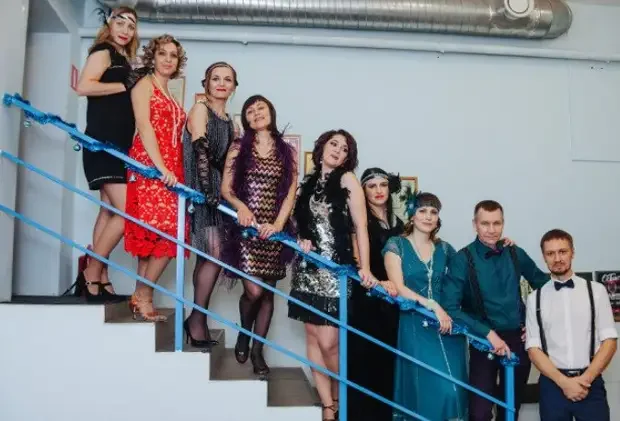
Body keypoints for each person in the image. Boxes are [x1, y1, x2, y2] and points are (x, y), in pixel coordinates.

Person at [288, 129, 374, 421]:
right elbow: (298, 221)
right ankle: (328, 406)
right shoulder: (307, 183)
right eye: (333, 144)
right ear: (322, 147)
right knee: (313, 338)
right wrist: (300, 238)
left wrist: (364, 267)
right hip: (307, 268)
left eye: (345, 148)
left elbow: (360, 227)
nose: (338, 150)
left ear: (348, 158)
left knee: (329, 343)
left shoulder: (348, 180)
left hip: (335, 270)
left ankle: (343, 397)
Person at [443, 200, 550, 421]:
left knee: (511, 409)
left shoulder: (515, 252)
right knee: (479, 412)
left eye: (497, 223)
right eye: (485, 224)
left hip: (518, 341)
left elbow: (545, 287)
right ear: (475, 225)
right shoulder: (462, 259)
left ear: (503, 223)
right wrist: (487, 333)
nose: (491, 230)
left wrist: (535, 324)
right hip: (483, 340)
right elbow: (450, 308)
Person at [221, 95, 298, 375]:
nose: (256, 114)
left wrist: (277, 225)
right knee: (253, 290)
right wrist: (240, 207)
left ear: (271, 112)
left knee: (267, 294)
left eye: (261, 108)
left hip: (274, 231)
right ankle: (244, 333)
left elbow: (290, 193)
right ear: (246, 119)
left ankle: (257, 351)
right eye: (250, 111)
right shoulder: (238, 147)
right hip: (247, 229)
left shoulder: (287, 150)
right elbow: (226, 189)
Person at [383, 191, 468, 421]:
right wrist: (432, 305)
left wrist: (502, 245)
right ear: (412, 215)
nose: (428, 216)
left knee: (454, 392)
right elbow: (399, 287)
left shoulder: (445, 249)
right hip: (415, 323)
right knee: (430, 390)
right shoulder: (396, 245)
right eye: (422, 211)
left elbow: (467, 274)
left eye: (433, 212)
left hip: (447, 327)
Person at [74, 6, 139, 302]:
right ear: (109, 25)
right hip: (103, 143)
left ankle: (101, 279)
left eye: (131, 25)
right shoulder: (103, 51)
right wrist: (123, 84)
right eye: (120, 22)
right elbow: (83, 86)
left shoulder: (124, 59)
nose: (125, 29)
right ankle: (91, 271)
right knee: (128, 212)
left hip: (119, 145)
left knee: (109, 210)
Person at [124, 34, 188, 322]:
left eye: (173, 55)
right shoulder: (144, 85)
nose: (168, 60)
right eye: (163, 53)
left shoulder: (170, 92)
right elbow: (144, 126)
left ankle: (139, 298)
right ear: (153, 57)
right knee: (169, 235)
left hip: (170, 169)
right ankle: (144, 295)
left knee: (157, 238)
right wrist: (160, 167)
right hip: (150, 165)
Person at [525, 229, 617, 421]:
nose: (557, 258)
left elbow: (609, 341)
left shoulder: (596, 291)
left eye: (563, 251)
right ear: (544, 257)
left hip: (590, 384)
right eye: (551, 253)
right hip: (552, 386)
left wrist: (586, 379)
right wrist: (564, 382)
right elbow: (533, 349)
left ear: (572, 252)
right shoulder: (535, 298)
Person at [182, 61, 238, 348]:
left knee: (208, 256)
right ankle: (196, 319)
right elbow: (200, 150)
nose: (221, 83)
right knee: (214, 253)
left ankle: (197, 319)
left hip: (218, 191)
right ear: (206, 83)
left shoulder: (229, 121)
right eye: (216, 78)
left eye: (227, 79)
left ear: (234, 87)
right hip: (202, 189)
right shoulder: (201, 109)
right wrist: (206, 190)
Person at [347, 167, 403, 421]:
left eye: (383, 185)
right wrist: (379, 283)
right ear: (363, 191)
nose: (379, 190)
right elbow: (358, 260)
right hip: (366, 299)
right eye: (372, 186)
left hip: (392, 303)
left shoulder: (398, 223)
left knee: (387, 363)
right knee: (363, 362)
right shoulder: (360, 221)